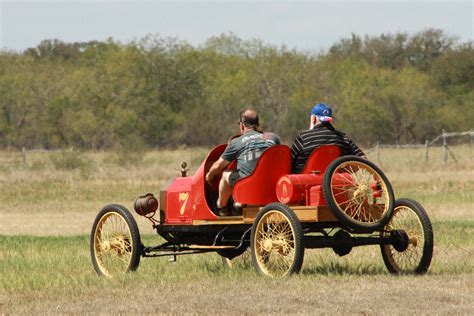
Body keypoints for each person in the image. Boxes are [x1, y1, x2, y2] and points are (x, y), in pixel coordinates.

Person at [206, 109, 280, 216]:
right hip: (272, 183)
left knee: (225, 175)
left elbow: (218, 166)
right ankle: (239, 204)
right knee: (243, 174)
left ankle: (222, 207)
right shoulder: (273, 138)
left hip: (251, 185)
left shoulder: (236, 142)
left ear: (241, 125)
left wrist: (209, 175)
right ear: (258, 123)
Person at [290, 103, 365, 173]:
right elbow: (363, 159)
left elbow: (289, 160)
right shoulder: (343, 138)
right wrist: (344, 171)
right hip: (333, 184)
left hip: (302, 183)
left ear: (313, 118)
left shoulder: (304, 137)